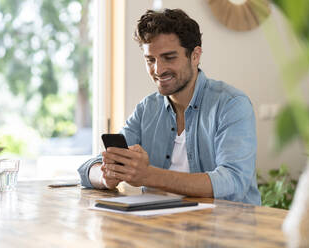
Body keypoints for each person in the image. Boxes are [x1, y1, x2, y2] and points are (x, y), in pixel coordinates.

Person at [78, 8, 261, 205]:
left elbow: (233, 182)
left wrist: (148, 176)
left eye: (169, 57)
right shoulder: (147, 109)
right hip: (163, 225)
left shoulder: (231, 105)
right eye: (150, 60)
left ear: (195, 55)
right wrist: (107, 176)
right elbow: (87, 169)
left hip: (227, 229)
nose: (158, 69)